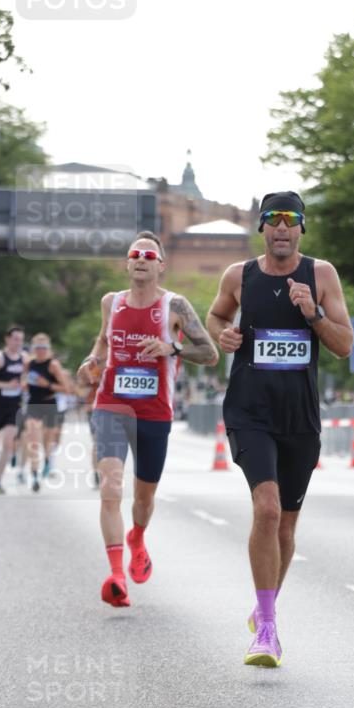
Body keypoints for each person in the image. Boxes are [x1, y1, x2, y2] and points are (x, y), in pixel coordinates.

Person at [207, 191, 353, 666]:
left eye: (291, 221)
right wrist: (223, 335)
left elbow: (345, 346)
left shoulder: (321, 274)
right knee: (266, 510)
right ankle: (267, 630)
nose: (282, 229)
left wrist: (312, 312)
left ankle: (264, 607)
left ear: (301, 229)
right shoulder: (239, 276)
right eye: (273, 220)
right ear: (262, 228)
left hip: (299, 417)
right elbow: (216, 316)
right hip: (250, 410)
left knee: (286, 527)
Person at [77, 231, 219, 608]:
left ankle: (137, 537)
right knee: (111, 488)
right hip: (111, 405)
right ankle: (116, 575)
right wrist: (92, 361)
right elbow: (102, 342)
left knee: (143, 497)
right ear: (127, 263)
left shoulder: (176, 306)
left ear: (160, 265)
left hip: (154, 412)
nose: (140, 259)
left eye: (148, 254)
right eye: (134, 254)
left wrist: (172, 348)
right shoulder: (111, 302)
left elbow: (210, 353)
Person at [22, 333, 73, 492]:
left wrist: (47, 384)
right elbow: (24, 379)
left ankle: (46, 461)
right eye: (37, 347)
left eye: (44, 348)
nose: (41, 351)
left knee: (47, 441)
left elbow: (66, 389)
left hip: (49, 404)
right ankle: (35, 475)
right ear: (33, 348)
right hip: (33, 404)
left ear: (48, 348)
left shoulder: (53, 365)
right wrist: (24, 384)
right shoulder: (29, 364)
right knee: (33, 440)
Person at [0, 325, 27, 493]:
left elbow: (26, 377)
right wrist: (6, 385)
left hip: (14, 406)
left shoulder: (24, 358)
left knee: (9, 442)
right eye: (15, 339)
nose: (18, 343)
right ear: (7, 339)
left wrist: (23, 384)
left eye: (21, 340)